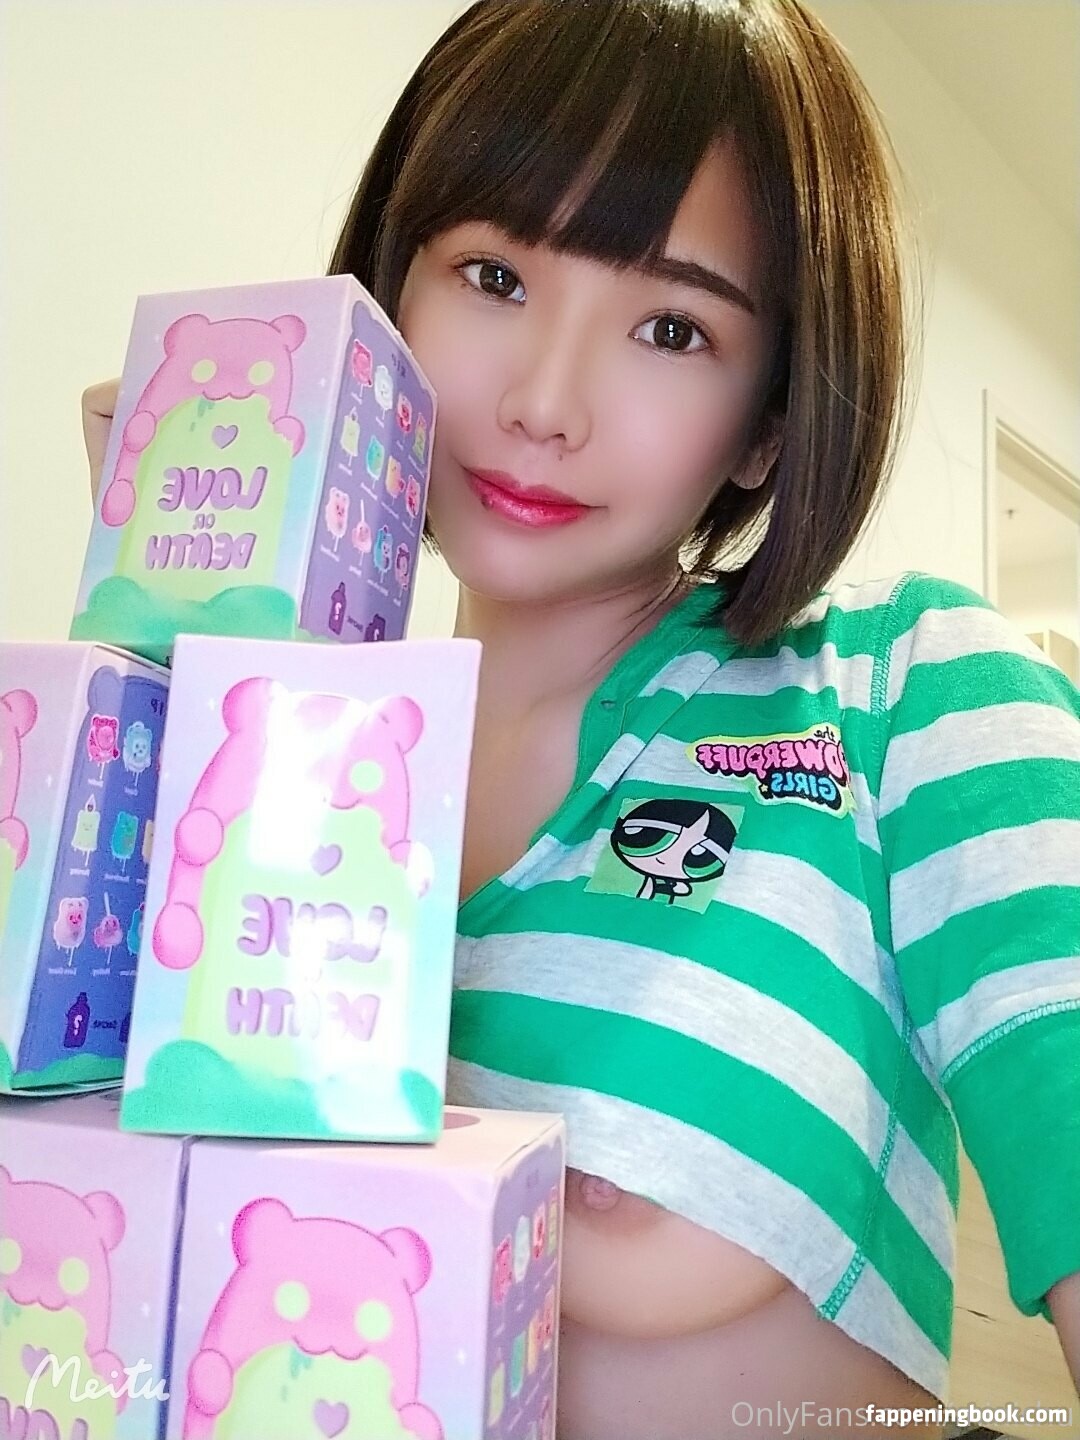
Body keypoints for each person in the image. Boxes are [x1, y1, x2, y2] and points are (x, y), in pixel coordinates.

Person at [81, 2, 1080, 1435]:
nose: (545, 404)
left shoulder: (899, 693)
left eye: (673, 327)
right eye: (493, 275)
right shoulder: (275, 761)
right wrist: (174, 665)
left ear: (771, 419)